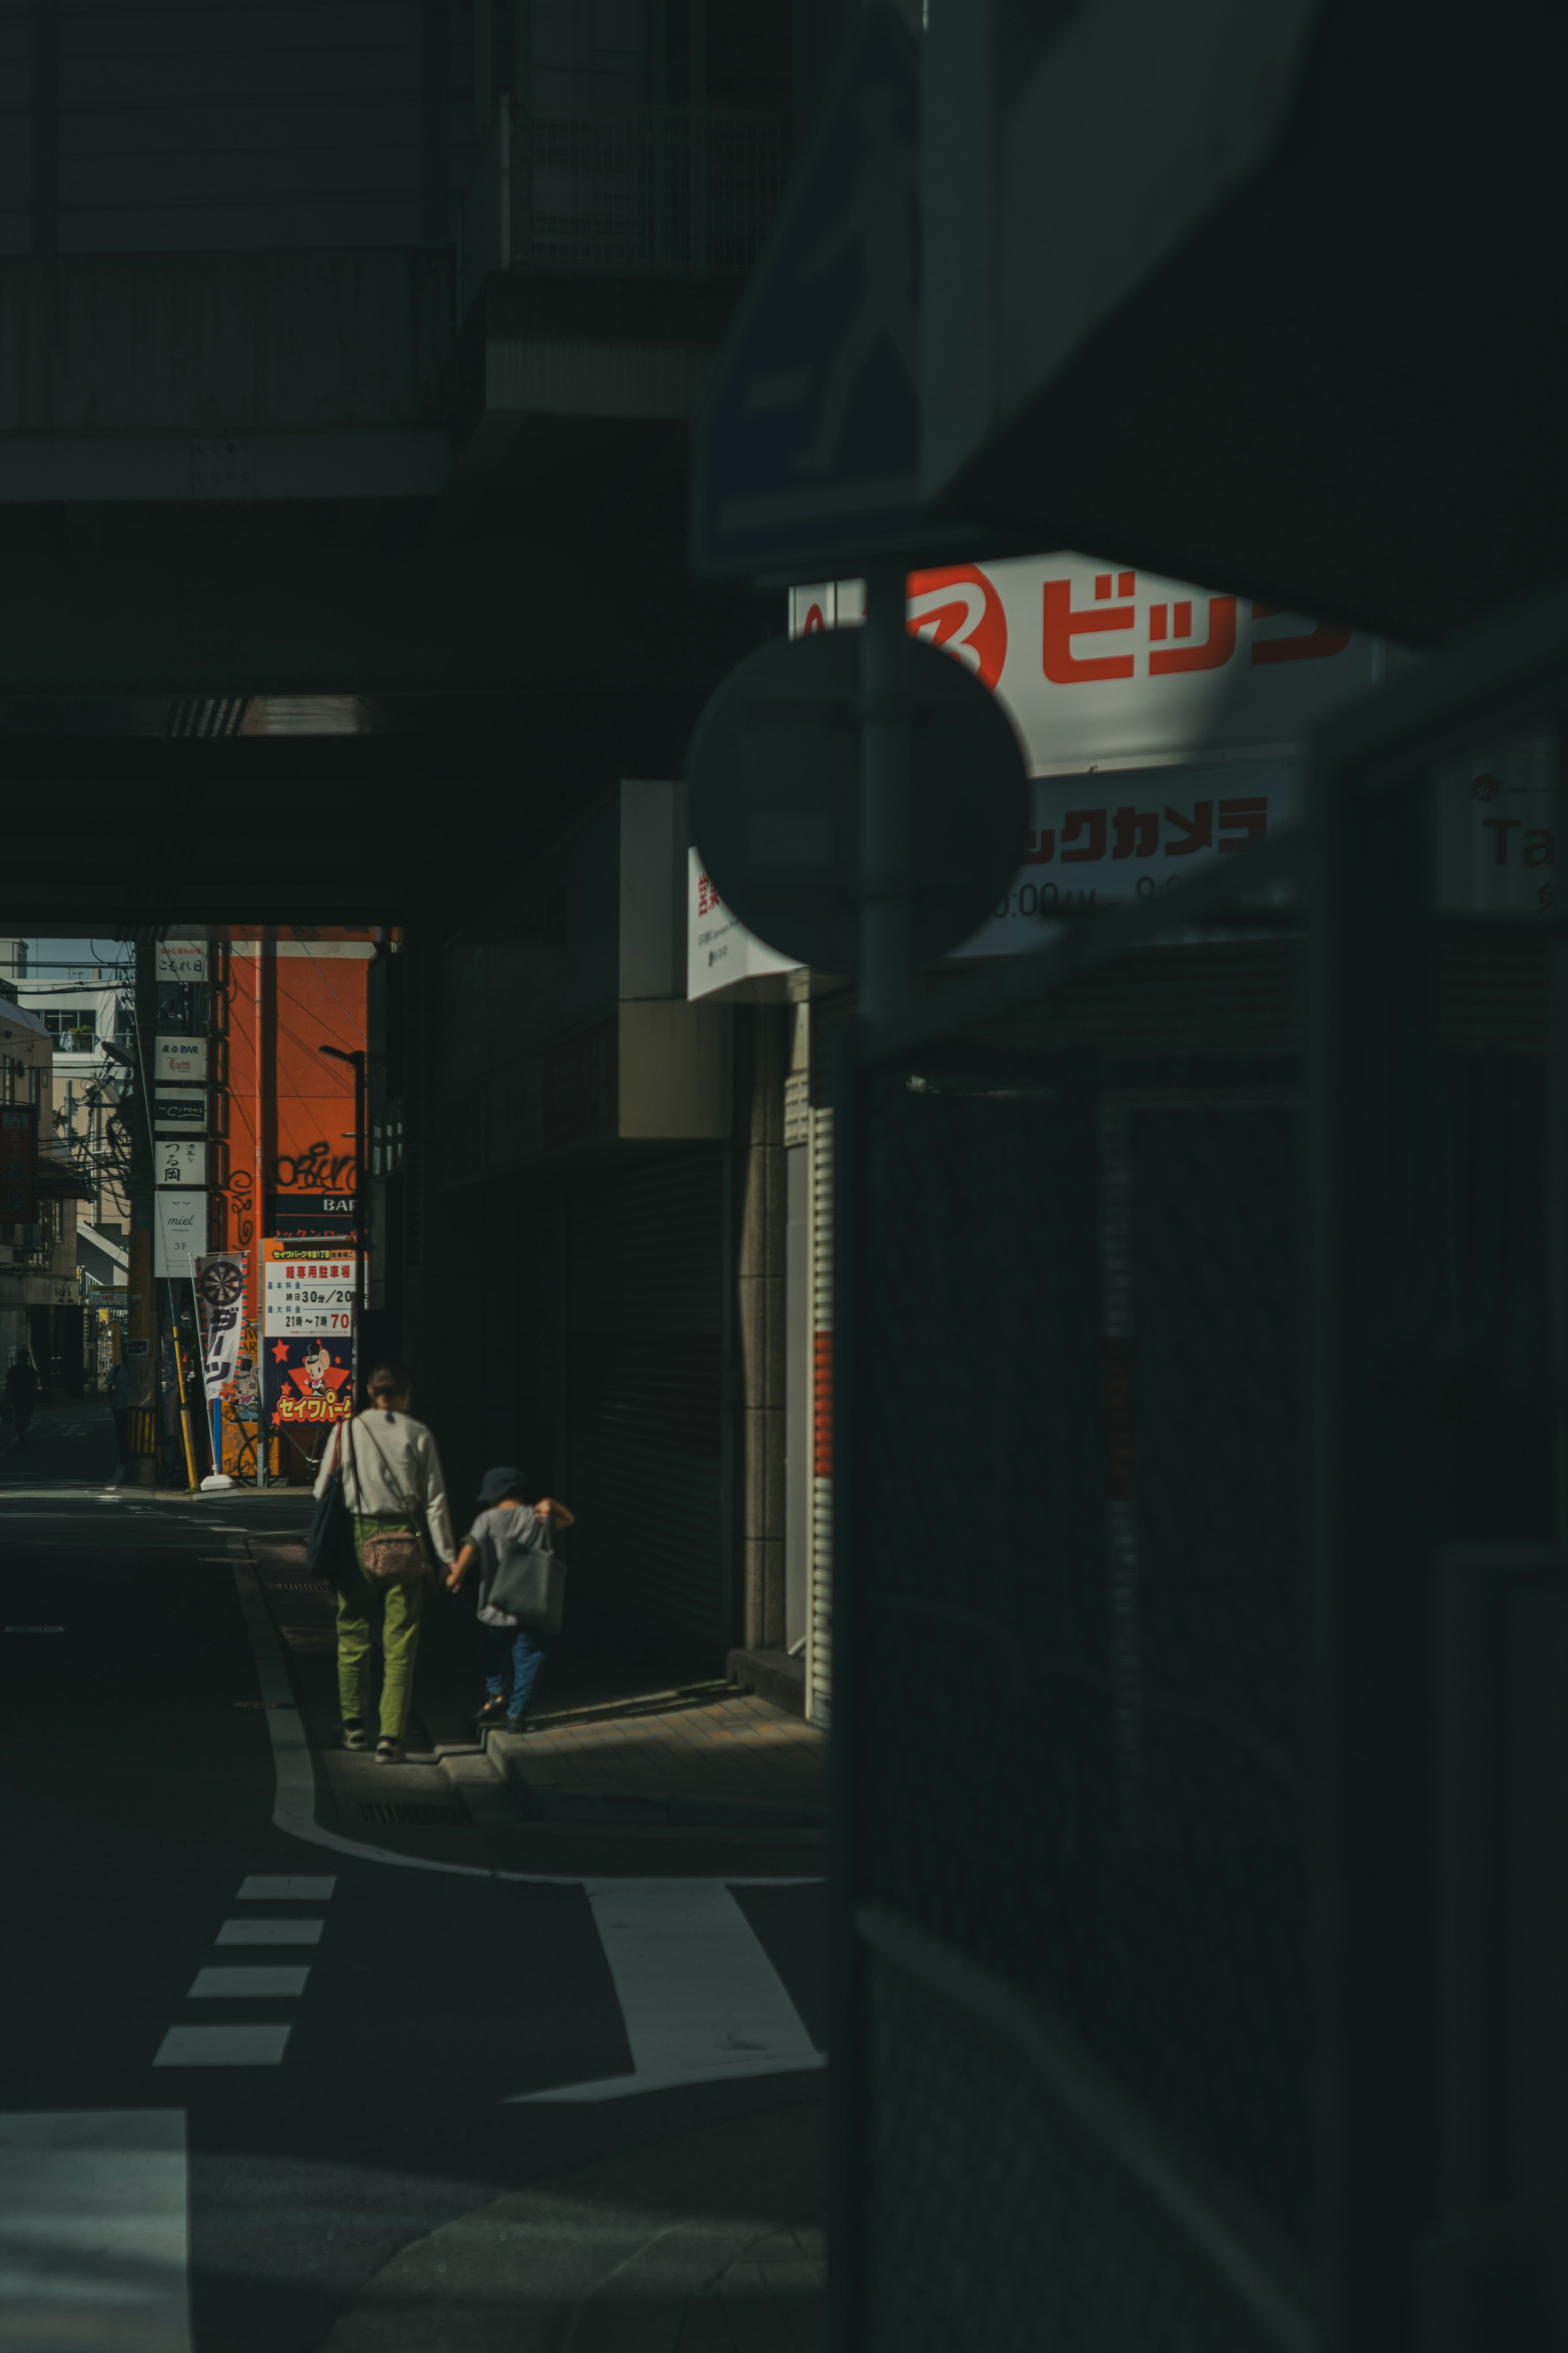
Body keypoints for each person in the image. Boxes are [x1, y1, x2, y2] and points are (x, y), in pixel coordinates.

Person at [313, 1361, 457, 1763]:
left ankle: (354, 1728)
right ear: (405, 1394)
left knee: (353, 1632)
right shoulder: (419, 1434)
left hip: (357, 1539)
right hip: (404, 1541)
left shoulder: (346, 1431)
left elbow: (321, 1490)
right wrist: (447, 1557)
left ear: (370, 1393)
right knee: (401, 1639)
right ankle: (390, 1736)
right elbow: (435, 1502)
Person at [446, 1466, 575, 1734]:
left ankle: (497, 1694)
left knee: (492, 1651)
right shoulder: (538, 1516)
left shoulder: (487, 1519)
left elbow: (471, 1549)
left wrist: (455, 1577)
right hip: (533, 1606)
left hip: (495, 1607)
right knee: (529, 1657)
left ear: (494, 1495)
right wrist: (551, 1505)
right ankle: (517, 1715)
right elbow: (568, 1520)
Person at [3, 1349, 40, 1441]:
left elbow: (8, 1384)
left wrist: (6, 1396)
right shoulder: (31, 1369)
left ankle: (20, 1434)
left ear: (18, 1357)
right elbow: (35, 1384)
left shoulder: (14, 1369)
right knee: (27, 1416)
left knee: (18, 1416)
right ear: (27, 1358)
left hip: (17, 1395)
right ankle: (24, 1432)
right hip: (29, 1395)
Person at [105, 1356, 129, 1461]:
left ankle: (129, 1453)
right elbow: (109, 1387)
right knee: (121, 1432)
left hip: (134, 1406)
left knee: (130, 1431)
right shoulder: (116, 1370)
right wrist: (112, 1403)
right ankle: (124, 1454)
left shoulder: (137, 1370)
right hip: (120, 1407)